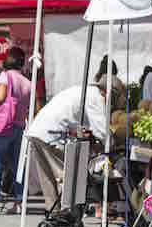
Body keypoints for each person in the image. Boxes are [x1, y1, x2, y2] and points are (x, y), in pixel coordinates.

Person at [26, 74, 124, 211]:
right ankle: (68, 214)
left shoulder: (85, 91)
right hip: (50, 134)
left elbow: (84, 125)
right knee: (67, 176)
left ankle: (53, 213)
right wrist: (113, 144)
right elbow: (102, 132)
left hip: (37, 130)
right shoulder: (96, 98)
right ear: (109, 93)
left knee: (47, 176)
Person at [0, 46, 32, 215]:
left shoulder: (5, 76)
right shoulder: (27, 82)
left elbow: (0, 97)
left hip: (4, 127)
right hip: (19, 127)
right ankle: (18, 202)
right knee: (18, 165)